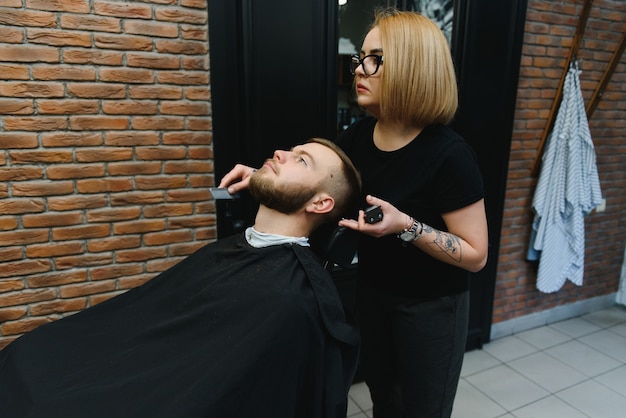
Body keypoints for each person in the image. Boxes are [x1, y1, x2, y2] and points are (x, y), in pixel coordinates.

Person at [220, 9, 489, 418]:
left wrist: (408, 227)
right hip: (373, 293)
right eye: (360, 57)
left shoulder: (450, 156)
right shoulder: (359, 137)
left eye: (374, 59)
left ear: (413, 69)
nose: (360, 69)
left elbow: (475, 254)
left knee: (422, 410)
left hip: (432, 308)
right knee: (384, 399)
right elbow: (319, 186)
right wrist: (263, 175)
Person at [0, 138, 362, 418]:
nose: (281, 152)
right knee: (25, 358)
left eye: (302, 160)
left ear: (320, 204)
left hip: (142, 393)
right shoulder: (240, 251)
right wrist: (266, 178)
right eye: (291, 149)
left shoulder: (289, 300)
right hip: (117, 363)